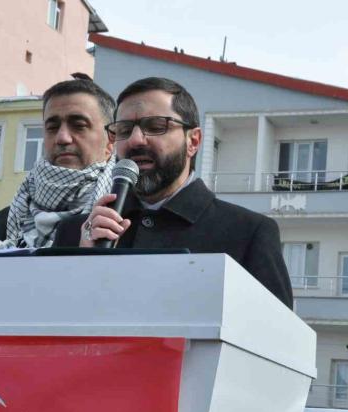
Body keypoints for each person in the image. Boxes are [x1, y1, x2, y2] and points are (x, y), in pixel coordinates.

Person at [53, 77, 293, 307]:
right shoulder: (76, 232)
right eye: (124, 130)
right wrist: (82, 266)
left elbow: (274, 331)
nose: (135, 140)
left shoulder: (248, 233)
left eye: (155, 126)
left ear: (193, 142)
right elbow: (48, 322)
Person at [0, 77, 115, 250]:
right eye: (52, 128)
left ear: (110, 141)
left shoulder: (128, 215)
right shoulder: (6, 222)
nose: (62, 138)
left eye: (79, 126)